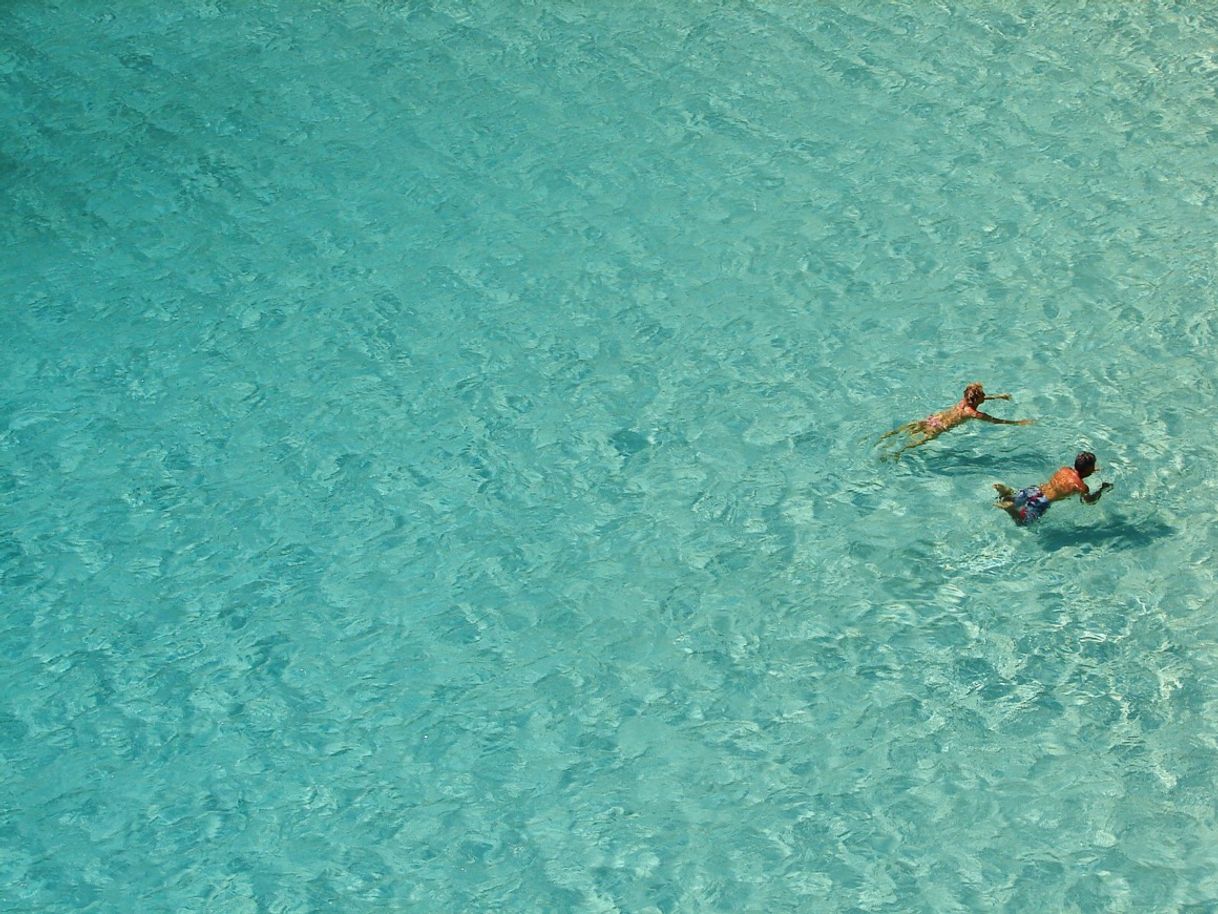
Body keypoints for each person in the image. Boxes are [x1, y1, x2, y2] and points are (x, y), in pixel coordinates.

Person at [878, 382, 1033, 459]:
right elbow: (995, 420)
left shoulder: (964, 402)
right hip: (938, 427)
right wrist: (1017, 423)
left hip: (932, 419)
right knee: (915, 443)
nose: (985, 396)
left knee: (905, 429)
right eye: (983, 395)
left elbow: (981, 397)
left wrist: (999, 396)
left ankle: (884, 437)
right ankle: (896, 453)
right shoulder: (972, 413)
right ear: (976, 400)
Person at [993, 451, 1113, 525]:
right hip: (1043, 502)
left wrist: (1089, 470)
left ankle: (1007, 492)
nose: (1094, 469)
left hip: (1036, 490)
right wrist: (1102, 489)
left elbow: (1078, 472)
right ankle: (1010, 509)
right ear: (1088, 469)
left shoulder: (1065, 470)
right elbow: (1089, 501)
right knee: (1023, 522)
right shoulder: (1081, 487)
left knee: (1018, 496)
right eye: (1093, 467)